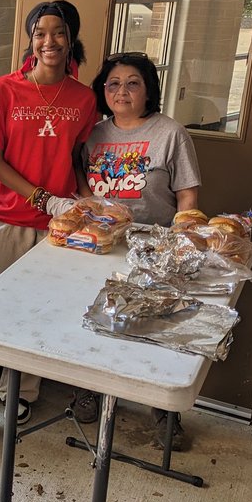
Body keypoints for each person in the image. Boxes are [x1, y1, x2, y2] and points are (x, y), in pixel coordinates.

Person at [0, 0, 100, 458]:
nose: (49, 41)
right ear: (30, 39)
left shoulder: (83, 98)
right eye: (40, 33)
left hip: (59, 227)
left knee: (41, 313)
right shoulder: (5, 89)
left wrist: (82, 201)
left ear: (71, 38)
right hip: (8, 218)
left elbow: (78, 158)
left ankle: (22, 394)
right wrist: (41, 197)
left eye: (58, 33)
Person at [85, 52, 201, 450]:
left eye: (133, 82)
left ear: (149, 89)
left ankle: (165, 413)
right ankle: (90, 391)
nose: (122, 91)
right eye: (113, 83)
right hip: (103, 243)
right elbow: (83, 188)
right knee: (96, 320)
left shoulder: (170, 133)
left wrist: (179, 247)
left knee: (158, 332)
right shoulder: (93, 134)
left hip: (156, 248)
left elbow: (188, 196)